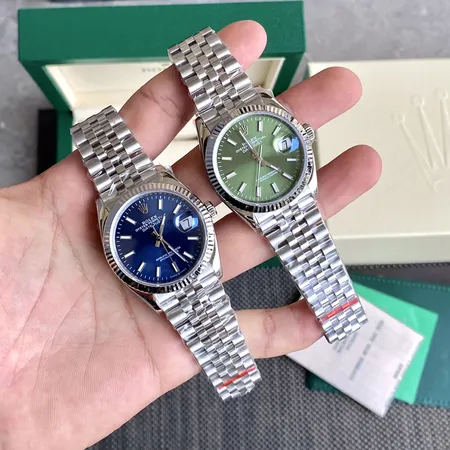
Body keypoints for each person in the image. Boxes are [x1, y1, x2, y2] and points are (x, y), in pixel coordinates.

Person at [0, 21, 381, 449]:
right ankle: (248, 368)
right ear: (201, 203)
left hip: (258, 197)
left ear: (301, 134)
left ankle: (334, 315)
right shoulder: (125, 225)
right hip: (171, 262)